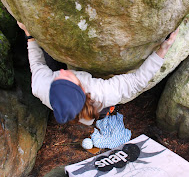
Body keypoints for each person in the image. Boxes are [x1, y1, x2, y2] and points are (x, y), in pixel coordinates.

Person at [17, 22, 179, 125]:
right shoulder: (100, 93)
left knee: (50, 62)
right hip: (94, 102)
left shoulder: (40, 85)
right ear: (82, 89)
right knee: (94, 115)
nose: (61, 71)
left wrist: (29, 35)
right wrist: (163, 49)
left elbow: (37, 63)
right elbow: (137, 81)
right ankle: (100, 115)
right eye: (68, 78)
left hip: (69, 99)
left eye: (58, 78)